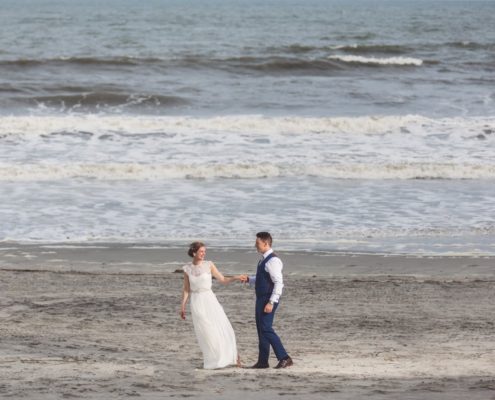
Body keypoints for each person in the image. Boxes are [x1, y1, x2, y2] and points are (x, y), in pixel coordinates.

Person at [180, 241, 243, 369]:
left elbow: (223, 279)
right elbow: (186, 289)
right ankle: (213, 357)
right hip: (197, 301)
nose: (204, 254)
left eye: (204, 251)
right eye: (201, 251)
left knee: (221, 326)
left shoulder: (209, 265)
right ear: (194, 253)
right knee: (206, 331)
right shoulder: (187, 269)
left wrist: (236, 277)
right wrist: (182, 306)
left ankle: (233, 355)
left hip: (209, 299)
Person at [240, 232, 293, 369]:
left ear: (266, 243)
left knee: (266, 328)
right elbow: (263, 278)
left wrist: (271, 302)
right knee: (261, 329)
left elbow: (278, 283)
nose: (255, 246)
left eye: (257, 243)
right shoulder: (263, 259)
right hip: (261, 298)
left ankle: (285, 357)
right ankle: (263, 361)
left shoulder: (273, 260)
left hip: (268, 298)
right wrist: (250, 279)